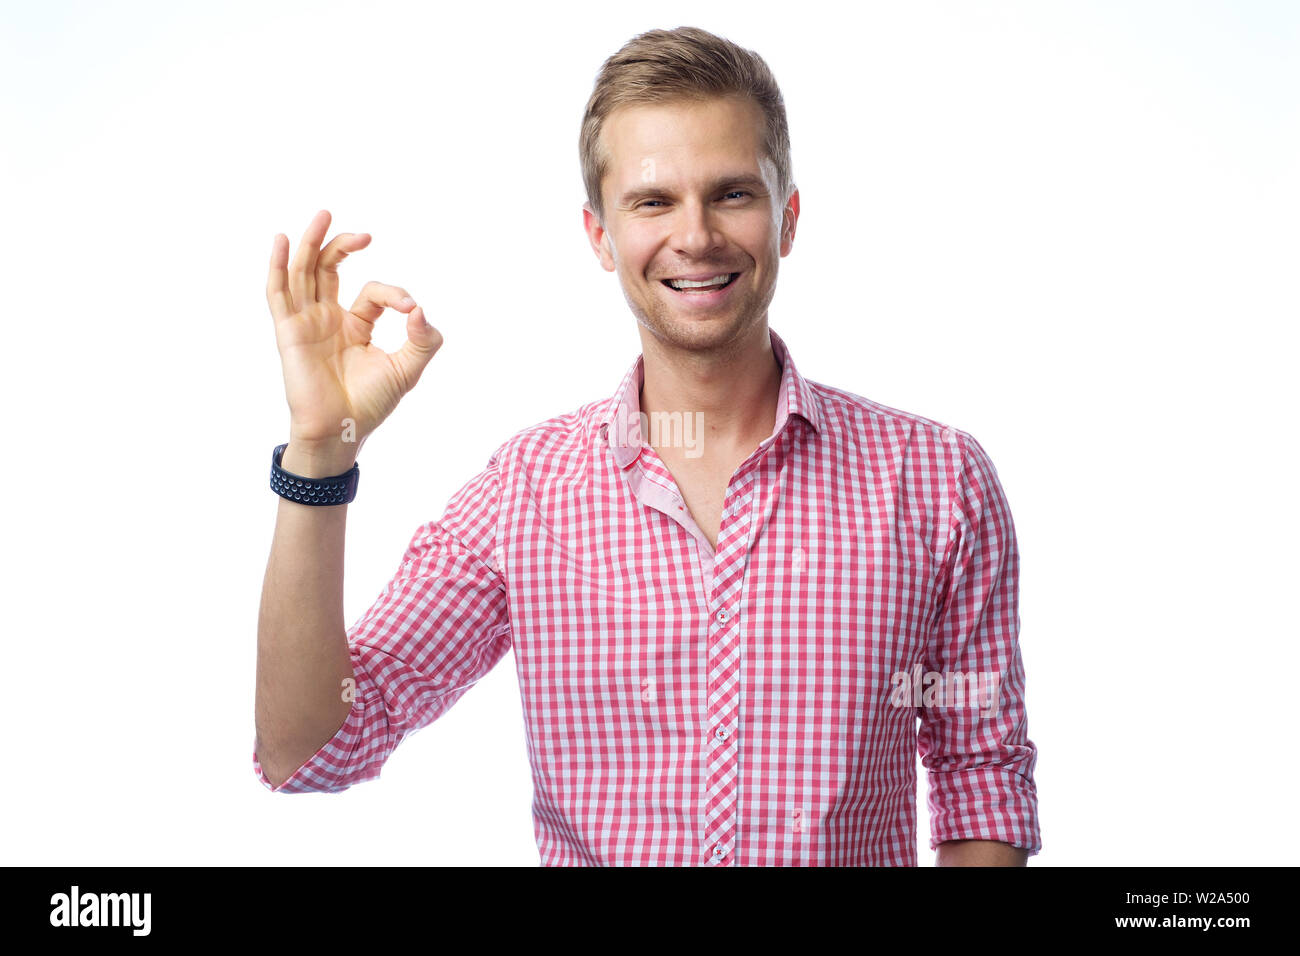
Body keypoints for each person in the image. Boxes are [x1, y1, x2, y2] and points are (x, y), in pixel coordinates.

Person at [254, 25, 1041, 867]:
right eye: (654, 201)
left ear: (789, 217)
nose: (696, 236)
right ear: (599, 235)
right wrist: (319, 451)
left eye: (733, 194)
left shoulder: (936, 481)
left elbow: (980, 772)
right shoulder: (529, 494)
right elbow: (310, 747)